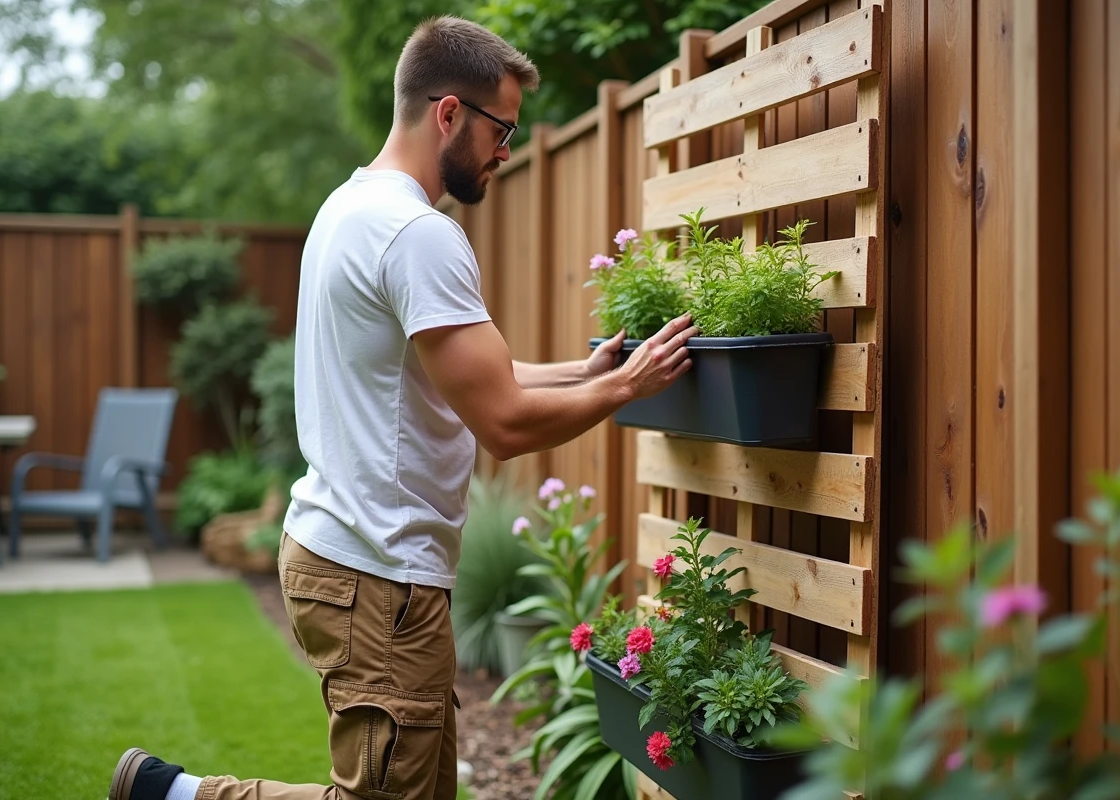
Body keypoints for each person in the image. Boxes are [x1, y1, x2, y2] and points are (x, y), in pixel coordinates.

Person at [108, 14, 695, 800]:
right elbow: (503, 423)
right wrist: (626, 386)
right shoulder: (418, 234)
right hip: (377, 574)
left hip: (352, 559)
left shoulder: (349, 210)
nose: (507, 149)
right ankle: (173, 795)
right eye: (501, 129)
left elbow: (456, 376)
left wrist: (580, 372)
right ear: (449, 112)